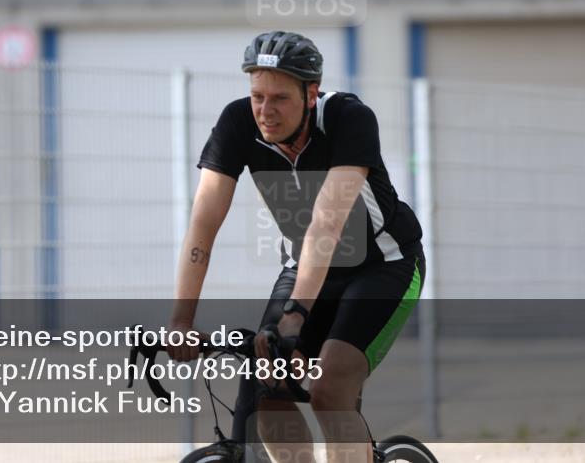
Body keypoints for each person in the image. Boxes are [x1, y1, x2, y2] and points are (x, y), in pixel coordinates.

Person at [168, 31, 425, 463]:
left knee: (329, 387)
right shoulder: (237, 124)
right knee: (268, 382)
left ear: (311, 93)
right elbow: (202, 226)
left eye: (280, 98)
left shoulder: (348, 118)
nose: (265, 112)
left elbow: (327, 223)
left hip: (384, 266)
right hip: (305, 265)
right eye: (257, 97)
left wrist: (294, 317)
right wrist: (180, 320)